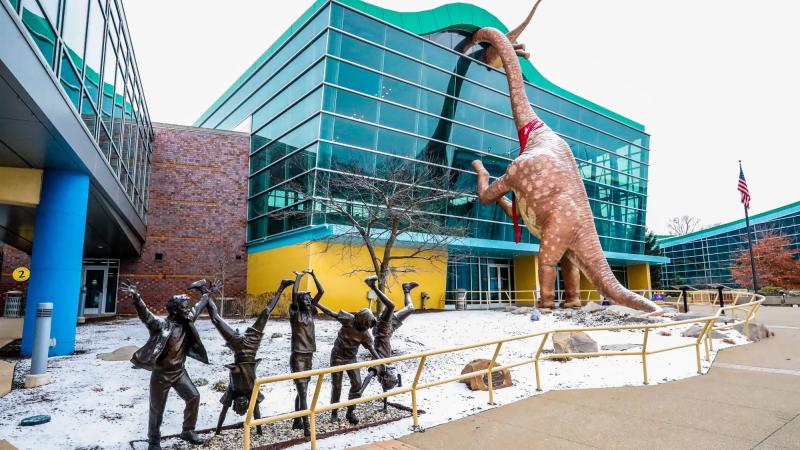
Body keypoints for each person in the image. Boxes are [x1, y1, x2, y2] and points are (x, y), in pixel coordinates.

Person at [199, 278, 294, 435]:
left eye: (240, 404)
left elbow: (224, 411)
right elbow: (256, 410)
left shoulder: (232, 392)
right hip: (252, 344)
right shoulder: (251, 393)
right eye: (245, 404)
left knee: (216, 320)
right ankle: (281, 286)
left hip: (238, 347)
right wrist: (259, 431)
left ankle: (203, 290)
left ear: (235, 404)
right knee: (266, 313)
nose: (242, 402)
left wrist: (217, 431)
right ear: (247, 403)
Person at [121, 281, 209, 450]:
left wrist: (206, 293)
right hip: (161, 374)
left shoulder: (187, 321)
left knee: (193, 397)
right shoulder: (161, 326)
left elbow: (198, 307)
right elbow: (146, 315)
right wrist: (136, 297)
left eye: (187, 306)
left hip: (179, 372)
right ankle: (153, 442)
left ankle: (188, 431)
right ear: (175, 310)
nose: (188, 309)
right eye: (185, 307)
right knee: (157, 409)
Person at [314, 292, 383, 425]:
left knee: (357, 384)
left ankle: (351, 411)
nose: (367, 328)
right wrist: (317, 304)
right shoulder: (348, 319)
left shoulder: (366, 335)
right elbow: (331, 313)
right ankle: (334, 412)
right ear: (361, 320)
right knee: (337, 386)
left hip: (351, 358)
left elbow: (372, 350)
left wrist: (382, 363)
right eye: (366, 325)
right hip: (337, 357)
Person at [359, 276, 417, 410]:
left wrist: (361, 391)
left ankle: (372, 285)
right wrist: (385, 406)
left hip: (382, 331)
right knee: (410, 308)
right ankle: (406, 288)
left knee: (391, 306)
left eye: (391, 377)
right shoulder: (388, 366)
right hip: (389, 331)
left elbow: (368, 378)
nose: (392, 374)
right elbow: (385, 390)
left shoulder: (378, 367)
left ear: (385, 377)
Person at [288, 269, 323, 436]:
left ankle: (296, 420)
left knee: (302, 390)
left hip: (309, 355)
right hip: (298, 356)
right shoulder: (295, 313)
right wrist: (299, 277)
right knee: (302, 391)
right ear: (300, 302)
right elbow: (294, 294)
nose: (309, 302)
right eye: (306, 299)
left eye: (310, 300)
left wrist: (313, 275)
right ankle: (307, 426)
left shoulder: (310, 312)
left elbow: (321, 291)